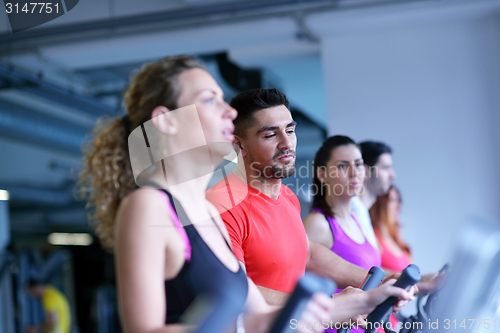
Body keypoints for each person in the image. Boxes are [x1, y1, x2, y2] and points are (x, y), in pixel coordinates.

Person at [78, 56, 331, 333]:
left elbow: (257, 317)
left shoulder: (208, 212)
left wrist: (351, 303)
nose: (230, 112)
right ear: (166, 121)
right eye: (210, 100)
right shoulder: (148, 206)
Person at [206, 88, 415, 328]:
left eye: (290, 130)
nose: (287, 143)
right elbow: (236, 292)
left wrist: (383, 282)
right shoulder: (221, 205)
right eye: (270, 135)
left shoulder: (287, 197)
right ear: (238, 144)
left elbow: (308, 254)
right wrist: (331, 302)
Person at [303, 135, 382, 333]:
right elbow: (298, 286)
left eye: (359, 164)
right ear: (322, 175)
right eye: (343, 166)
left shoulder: (357, 219)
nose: (354, 173)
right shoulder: (318, 224)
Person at [370, 186, 411, 273]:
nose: (399, 206)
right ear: (379, 203)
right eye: (392, 200)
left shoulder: (399, 243)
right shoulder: (372, 237)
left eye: (399, 201)